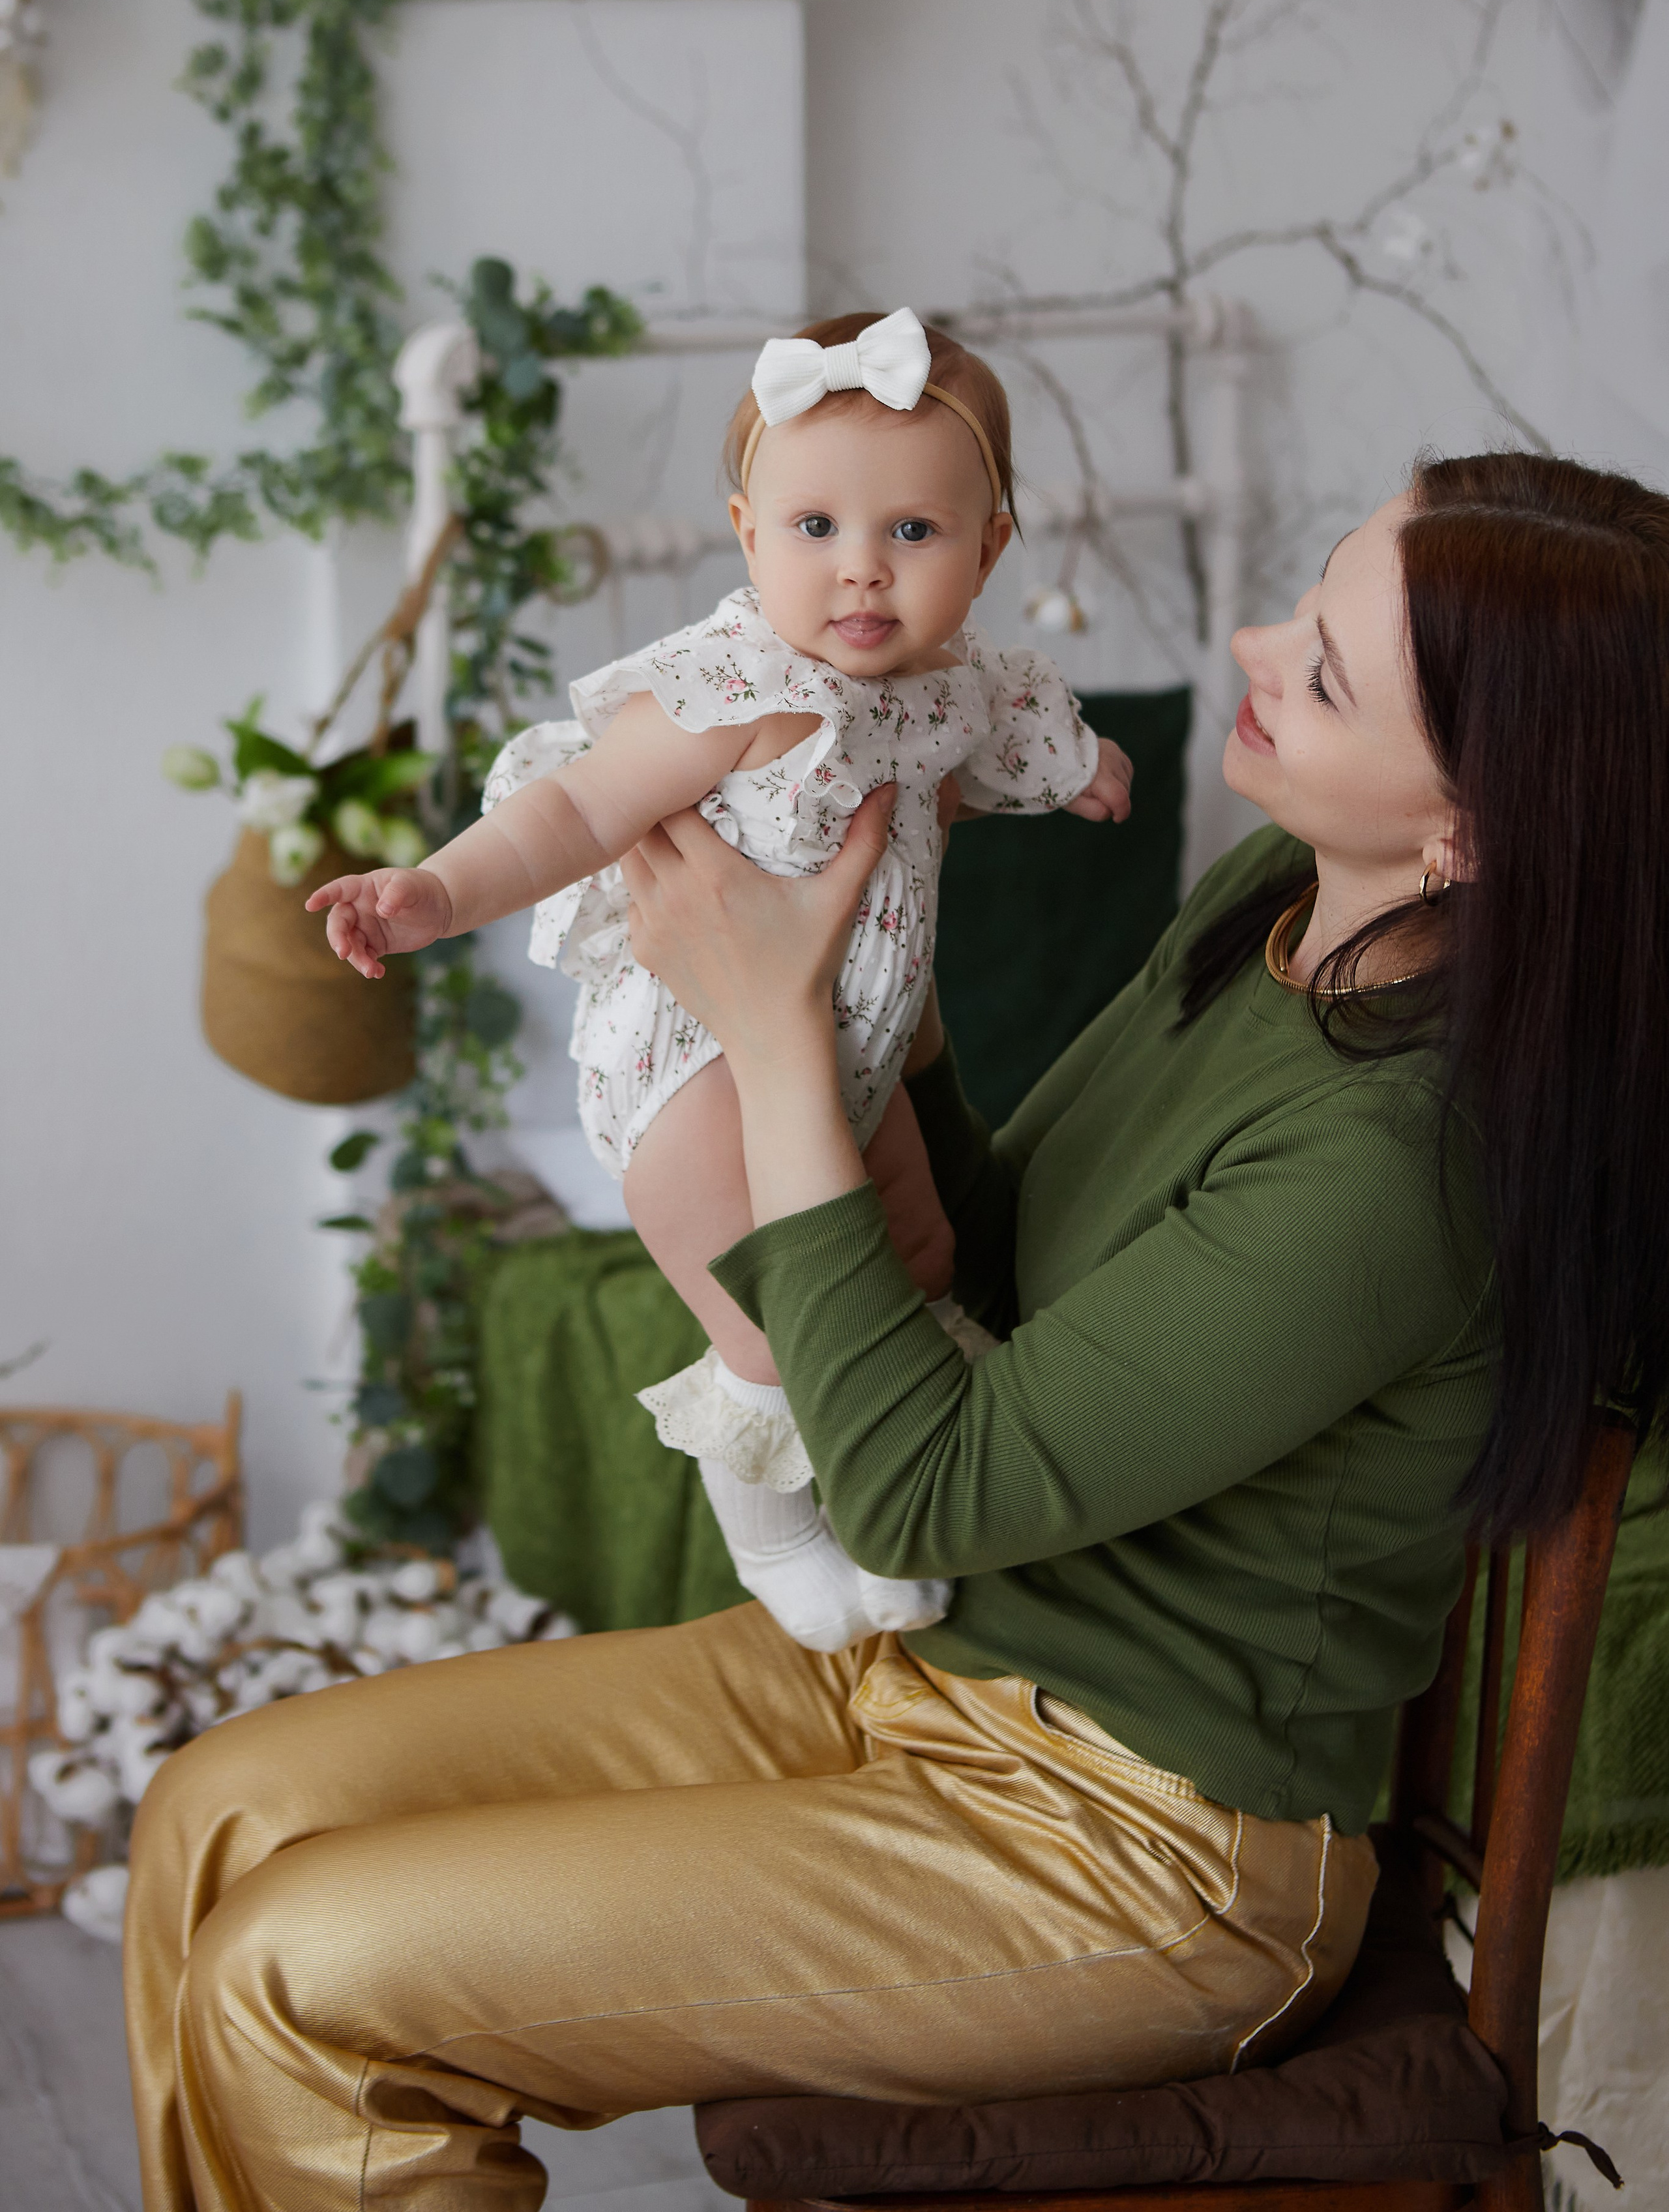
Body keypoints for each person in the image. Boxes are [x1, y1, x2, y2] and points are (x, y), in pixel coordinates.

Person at [127, 453, 1669, 2212]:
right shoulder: (1265, 915)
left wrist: (772, 1034)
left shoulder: (1396, 1166)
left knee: (298, 1978)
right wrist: (874, 996)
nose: (1249, 640)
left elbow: (922, 1491)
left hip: (1134, 1850)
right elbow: (996, 1258)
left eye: (1318, 670)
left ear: (1468, 828)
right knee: (216, 1818)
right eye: (1308, 600)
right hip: (925, 1670)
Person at [306, 308, 1130, 1654]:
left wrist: (1076, 769)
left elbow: (1001, 747)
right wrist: (434, 894)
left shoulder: (955, 688)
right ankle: (773, 1538)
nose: (860, 575)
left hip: (846, 1050)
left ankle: (894, 1475)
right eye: (815, 531)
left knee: (916, 1255)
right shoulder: (731, 689)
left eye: (910, 535)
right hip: (687, 1054)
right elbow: (571, 816)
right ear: (747, 536)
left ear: (987, 549)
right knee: (769, 1312)